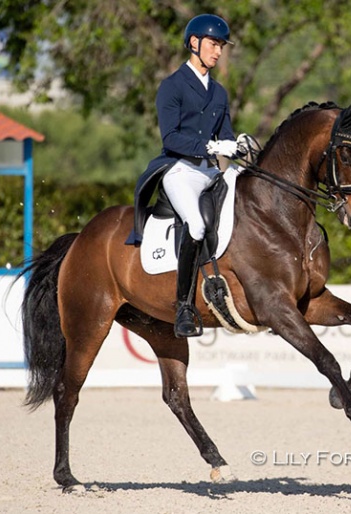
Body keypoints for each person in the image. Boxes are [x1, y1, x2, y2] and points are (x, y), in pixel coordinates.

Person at [133, 14, 247, 338]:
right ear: (194, 43)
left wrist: (237, 145)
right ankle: (184, 306)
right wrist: (211, 146)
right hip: (180, 169)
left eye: (221, 46)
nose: (218, 51)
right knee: (195, 225)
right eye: (214, 44)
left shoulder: (220, 93)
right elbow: (170, 138)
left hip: (210, 169)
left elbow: (225, 134)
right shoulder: (172, 86)